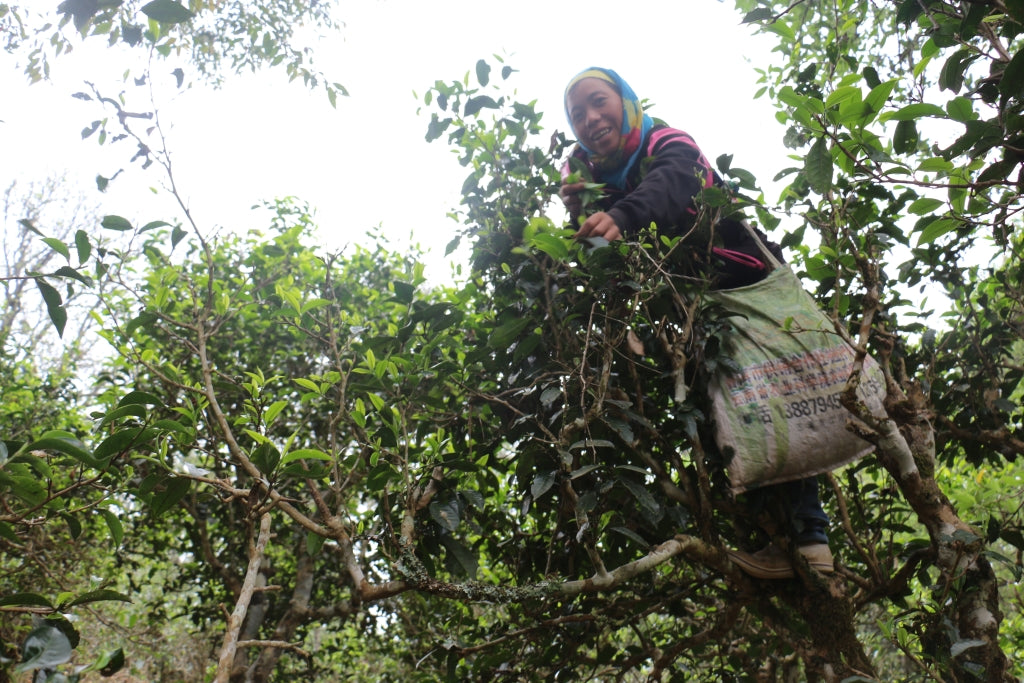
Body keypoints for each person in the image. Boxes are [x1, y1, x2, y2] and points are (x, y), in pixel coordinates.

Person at [559, 66, 833, 579]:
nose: (591, 119)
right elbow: (603, 256)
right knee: (723, 418)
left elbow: (674, 184)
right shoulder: (591, 175)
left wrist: (619, 215)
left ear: (626, 99)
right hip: (683, 312)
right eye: (578, 115)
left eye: (600, 102)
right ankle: (786, 548)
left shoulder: (669, 143)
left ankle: (813, 545)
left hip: (740, 282)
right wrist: (581, 213)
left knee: (768, 399)